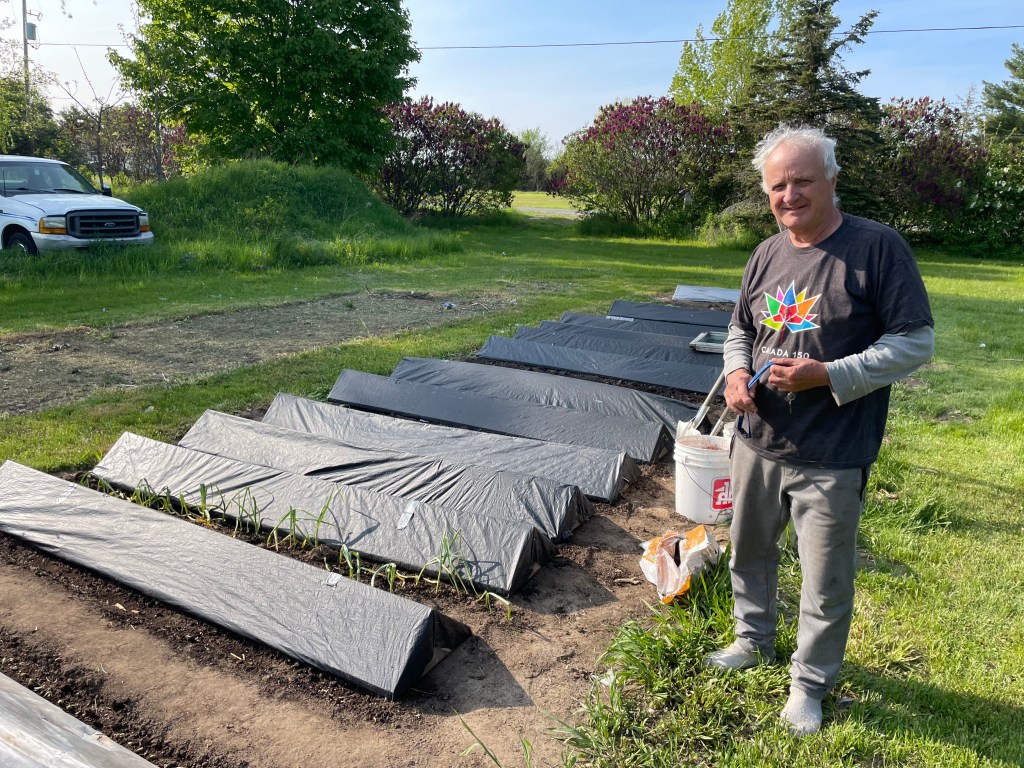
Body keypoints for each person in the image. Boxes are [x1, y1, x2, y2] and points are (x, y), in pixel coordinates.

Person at [703, 125, 934, 736]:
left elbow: (915, 343)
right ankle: (753, 641)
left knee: (824, 579)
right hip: (757, 439)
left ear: (832, 179)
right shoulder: (767, 252)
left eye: (803, 180)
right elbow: (740, 331)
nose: (789, 194)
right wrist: (733, 375)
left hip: (833, 451)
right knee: (749, 553)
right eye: (778, 185)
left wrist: (828, 374)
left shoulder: (877, 248)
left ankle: (809, 683)